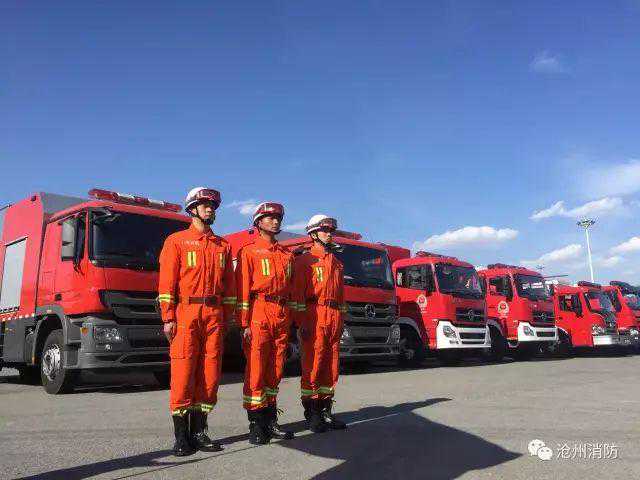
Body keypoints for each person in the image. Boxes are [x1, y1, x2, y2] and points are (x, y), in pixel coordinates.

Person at [157, 187, 236, 456]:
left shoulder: (223, 246)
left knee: (210, 375)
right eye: (204, 205)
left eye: (213, 205)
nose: (210, 209)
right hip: (186, 314)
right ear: (192, 209)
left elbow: (229, 287)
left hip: (214, 316)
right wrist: (168, 317)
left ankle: (199, 431)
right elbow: (167, 284)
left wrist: (227, 317)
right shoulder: (176, 241)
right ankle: (181, 436)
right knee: (183, 373)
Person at [236, 202, 296, 444]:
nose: (275, 221)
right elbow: (242, 291)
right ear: (258, 222)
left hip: (281, 312)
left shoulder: (286, 255)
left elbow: (291, 289)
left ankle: (271, 421)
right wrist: (244, 324)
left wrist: (291, 320)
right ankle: (256, 424)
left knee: (276, 368)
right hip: (259, 310)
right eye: (269, 218)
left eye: (278, 218)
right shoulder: (248, 252)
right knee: (257, 369)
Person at [293, 214, 348, 433]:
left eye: (331, 231)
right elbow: (297, 295)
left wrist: (341, 321)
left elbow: (341, 297)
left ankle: (326, 411)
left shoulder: (337, 263)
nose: (329, 234)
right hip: (314, 314)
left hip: (333, 317)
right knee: (313, 366)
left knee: (331, 367)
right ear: (313, 234)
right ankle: (312, 413)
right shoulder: (305, 260)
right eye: (325, 231)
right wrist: (301, 323)